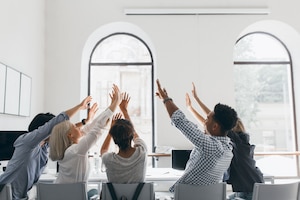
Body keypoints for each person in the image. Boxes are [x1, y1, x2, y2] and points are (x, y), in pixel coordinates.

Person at [0, 96, 93, 200]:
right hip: (4, 194)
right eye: (54, 129)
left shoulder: (44, 146)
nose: (58, 131)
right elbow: (56, 125)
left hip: (20, 196)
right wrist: (80, 107)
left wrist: (85, 122)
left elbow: (67, 130)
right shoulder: (26, 142)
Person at [156, 79, 238, 193]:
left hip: (184, 196)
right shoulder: (228, 151)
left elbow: (181, 121)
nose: (204, 121)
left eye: (207, 119)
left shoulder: (211, 147)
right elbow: (193, 128)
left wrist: (166, 99)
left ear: (215, 127)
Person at [186, 82, 264, 200]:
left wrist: (196, 101)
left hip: (248, 192)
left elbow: (213, 119)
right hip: (254, 186)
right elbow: (210, 123)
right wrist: (191, 107)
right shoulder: (242, 142)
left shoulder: (234, 140)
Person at [48, 84, 122, 198]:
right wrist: (115, 104)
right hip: (72, 197)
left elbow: (91, 127)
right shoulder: (75, 151)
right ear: (70, 135)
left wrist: (111, 106)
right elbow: (97, 129)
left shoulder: (69, 151)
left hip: (59, 195)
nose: (79, 128)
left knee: (93, 191)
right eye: (75, 127)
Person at [100, 92, 148, 183]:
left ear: (114, 139)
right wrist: (124, 110)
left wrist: (111, 129)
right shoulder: (142, 152)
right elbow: (135, 134)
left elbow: (103, 150)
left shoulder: (109, 160)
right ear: (131, 136)